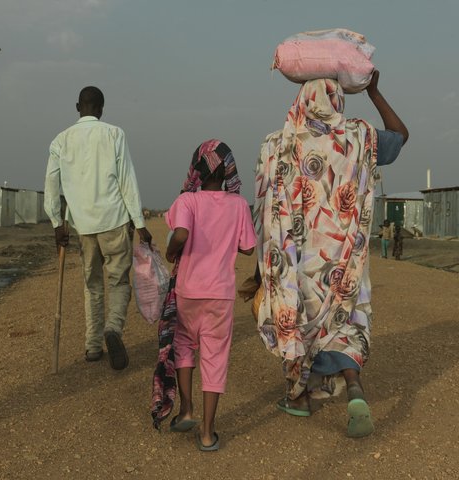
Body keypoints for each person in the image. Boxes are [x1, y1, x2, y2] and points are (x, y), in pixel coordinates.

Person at [253, 71, 408, 437]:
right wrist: (374, 91)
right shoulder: (359, 137)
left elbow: (264, 206)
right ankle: (354, 387)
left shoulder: (276, 144)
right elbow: (401, 136)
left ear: (301, 101)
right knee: (343, 323)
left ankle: (299, 397)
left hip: (296, 263)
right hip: (341, 261)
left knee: (297, 319)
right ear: (338, 100)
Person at [44, 86, 152, 370]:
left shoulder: (60, 141)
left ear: (77, 106)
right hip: (113, 221)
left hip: (82, 224)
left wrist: (57, 222)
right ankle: (113, 328)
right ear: (101, 109)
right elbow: (127, 179)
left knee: (92, 285)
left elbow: (51, 184)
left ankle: (93, 346)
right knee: (118, 281)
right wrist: (139, 223)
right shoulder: (114, 134)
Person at [164, 140, 255, 451]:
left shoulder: (187, 201)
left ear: (197, 169)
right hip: (221, 294)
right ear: (228, 169)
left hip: (189, 289)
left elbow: (181, 233)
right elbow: (248, 247)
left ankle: (186, 409)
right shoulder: (239, 205)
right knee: (215, 357)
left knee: (184, 344)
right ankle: (207, 433)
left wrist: (171, 250)